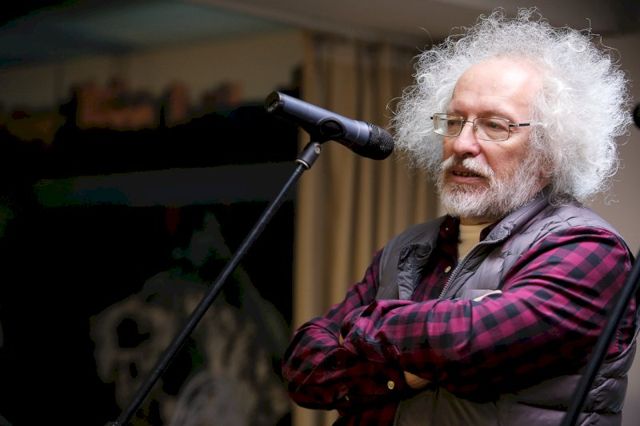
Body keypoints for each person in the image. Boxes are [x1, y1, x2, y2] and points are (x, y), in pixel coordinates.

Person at [280, 8, 639, 426]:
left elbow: (473, 341)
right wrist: (406, 372)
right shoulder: (409, 246)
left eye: (495, 126)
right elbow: (303, 368)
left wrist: (362, 325)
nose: (462, 144)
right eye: (454, 122)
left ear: (549, 151)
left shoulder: (589, 248)